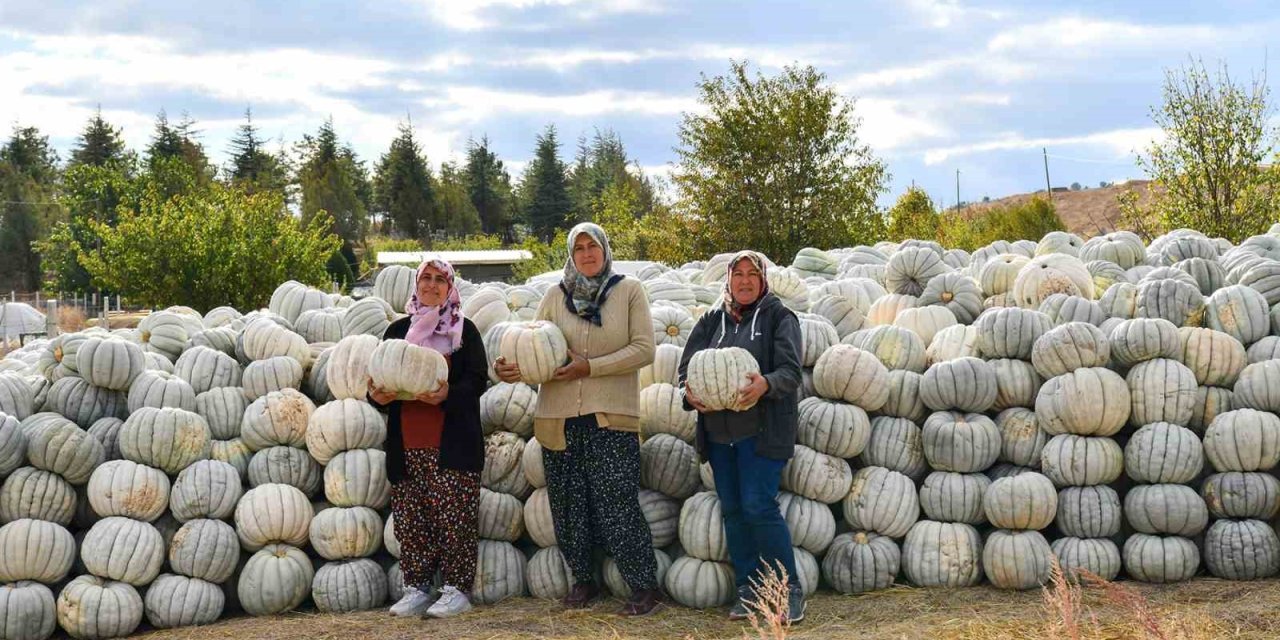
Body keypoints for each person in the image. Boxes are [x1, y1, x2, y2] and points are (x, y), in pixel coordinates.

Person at [494, 222, 661, 616]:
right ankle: (584, 581)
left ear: (605, 249)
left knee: (616, 501)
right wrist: (511, 369)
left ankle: (643, 586)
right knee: (569, 505)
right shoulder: (555, 296)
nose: (587, 254)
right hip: (558, 416)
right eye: (579, 248)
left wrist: (591, 367)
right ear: (571, 255)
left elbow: (645, 350)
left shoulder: (628, 291)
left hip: (611, 414)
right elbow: (535, 350)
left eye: (593, 246)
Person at [678, 250, 805, 624]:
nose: (745, 281)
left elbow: (791, 371)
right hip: (719, 435)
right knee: (733, 512)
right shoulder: (710, 321)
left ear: (763, 279)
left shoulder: (780, 317)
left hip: (761, 434)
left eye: (753, 274)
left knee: (758, 507)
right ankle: (749, 591)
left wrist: (766, 383)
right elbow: (685, 370)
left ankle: (788, 590)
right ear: (728, 279)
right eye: (739, 274)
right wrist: (688, 393)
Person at [370, 257, 487, 619]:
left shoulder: (463, 331)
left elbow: (477, 381)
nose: (432, 285)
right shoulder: (396, 331)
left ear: (450, 287)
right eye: (426, 278)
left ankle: (456, 590)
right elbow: (375, 382)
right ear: (416, 284)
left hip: (452, 447)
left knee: (455, 522)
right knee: (412, 521)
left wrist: (447, 395)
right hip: (407, 445)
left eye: (440, 280)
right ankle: (417, 588)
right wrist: (377, 397)